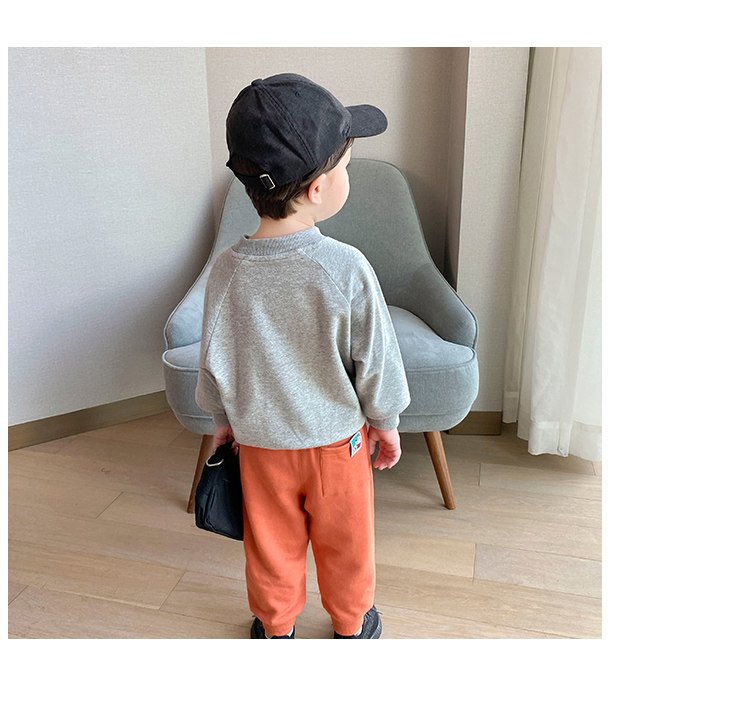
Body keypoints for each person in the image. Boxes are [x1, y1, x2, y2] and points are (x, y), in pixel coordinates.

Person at [195, 74, 410, 639]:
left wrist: (221, 421)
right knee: (347, 541)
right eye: (345, 167)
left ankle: (275, 627)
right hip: (337, 446)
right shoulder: (345, 266)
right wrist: (386, 422)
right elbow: (377, 359)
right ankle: (352, 623)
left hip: (260, 447)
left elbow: (213, 358)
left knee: (271, 545)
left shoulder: (226, 271)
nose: (348, 177)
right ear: (317, 189)